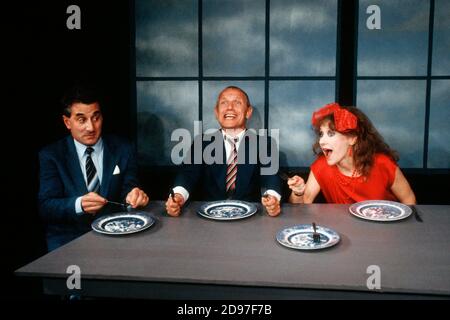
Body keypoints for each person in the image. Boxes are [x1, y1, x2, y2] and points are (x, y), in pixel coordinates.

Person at [38, 85, 149, 251]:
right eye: (82, 120)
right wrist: (79, 204)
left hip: (116, 236)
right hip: (67, 241)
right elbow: (46, 207)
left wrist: (134, 197)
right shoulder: (52, 155)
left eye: (96, 118)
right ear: (67, 122)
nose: (91, 127)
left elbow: (129, 188)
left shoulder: (123, 148)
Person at [166, 86, 282, 216]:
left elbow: (271, 177)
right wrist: (178, 196)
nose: (230, 107)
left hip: (250, 219)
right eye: (224, 102)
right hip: (208, 219)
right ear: (216, 112)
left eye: (237, 102)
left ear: (248, 112)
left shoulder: (264, 144)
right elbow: (188, 174)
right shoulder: (202, 143)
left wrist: (272, 199)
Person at [288, 102, 416, 204]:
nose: (322, 141)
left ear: (353, 138)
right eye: (321, 134)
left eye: (331, 133)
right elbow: (302, 206)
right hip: (344, 233)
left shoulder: (383, 164)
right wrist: (298, 193)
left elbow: (409, 199)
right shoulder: (321, 166)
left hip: (383, 231)